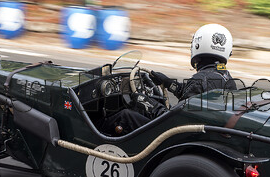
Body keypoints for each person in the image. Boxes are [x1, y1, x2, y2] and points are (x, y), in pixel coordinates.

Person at [97, 24, 238, 135]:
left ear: (197, 45)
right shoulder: (226, 78)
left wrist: (145, 101)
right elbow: (193, 99)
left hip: (179, 138)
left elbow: (174, 122)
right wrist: (167, 82)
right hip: (205, 132)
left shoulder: (200, 79)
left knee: (125, 116)